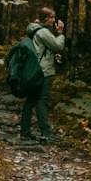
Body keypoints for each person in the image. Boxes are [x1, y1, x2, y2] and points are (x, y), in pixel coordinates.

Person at [20, 7, 65, 143]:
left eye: (53, 17)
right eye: (51, 17)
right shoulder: (43, 31)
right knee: (41, 101)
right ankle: (45, 133)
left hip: (34, 70)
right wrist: (60, 33)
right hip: (43, 72)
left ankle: (25, 132)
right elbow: (58, 45)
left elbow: (44, 49)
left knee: (31, 101)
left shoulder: (34, 30)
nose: (53, 20)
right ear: (45, 18)